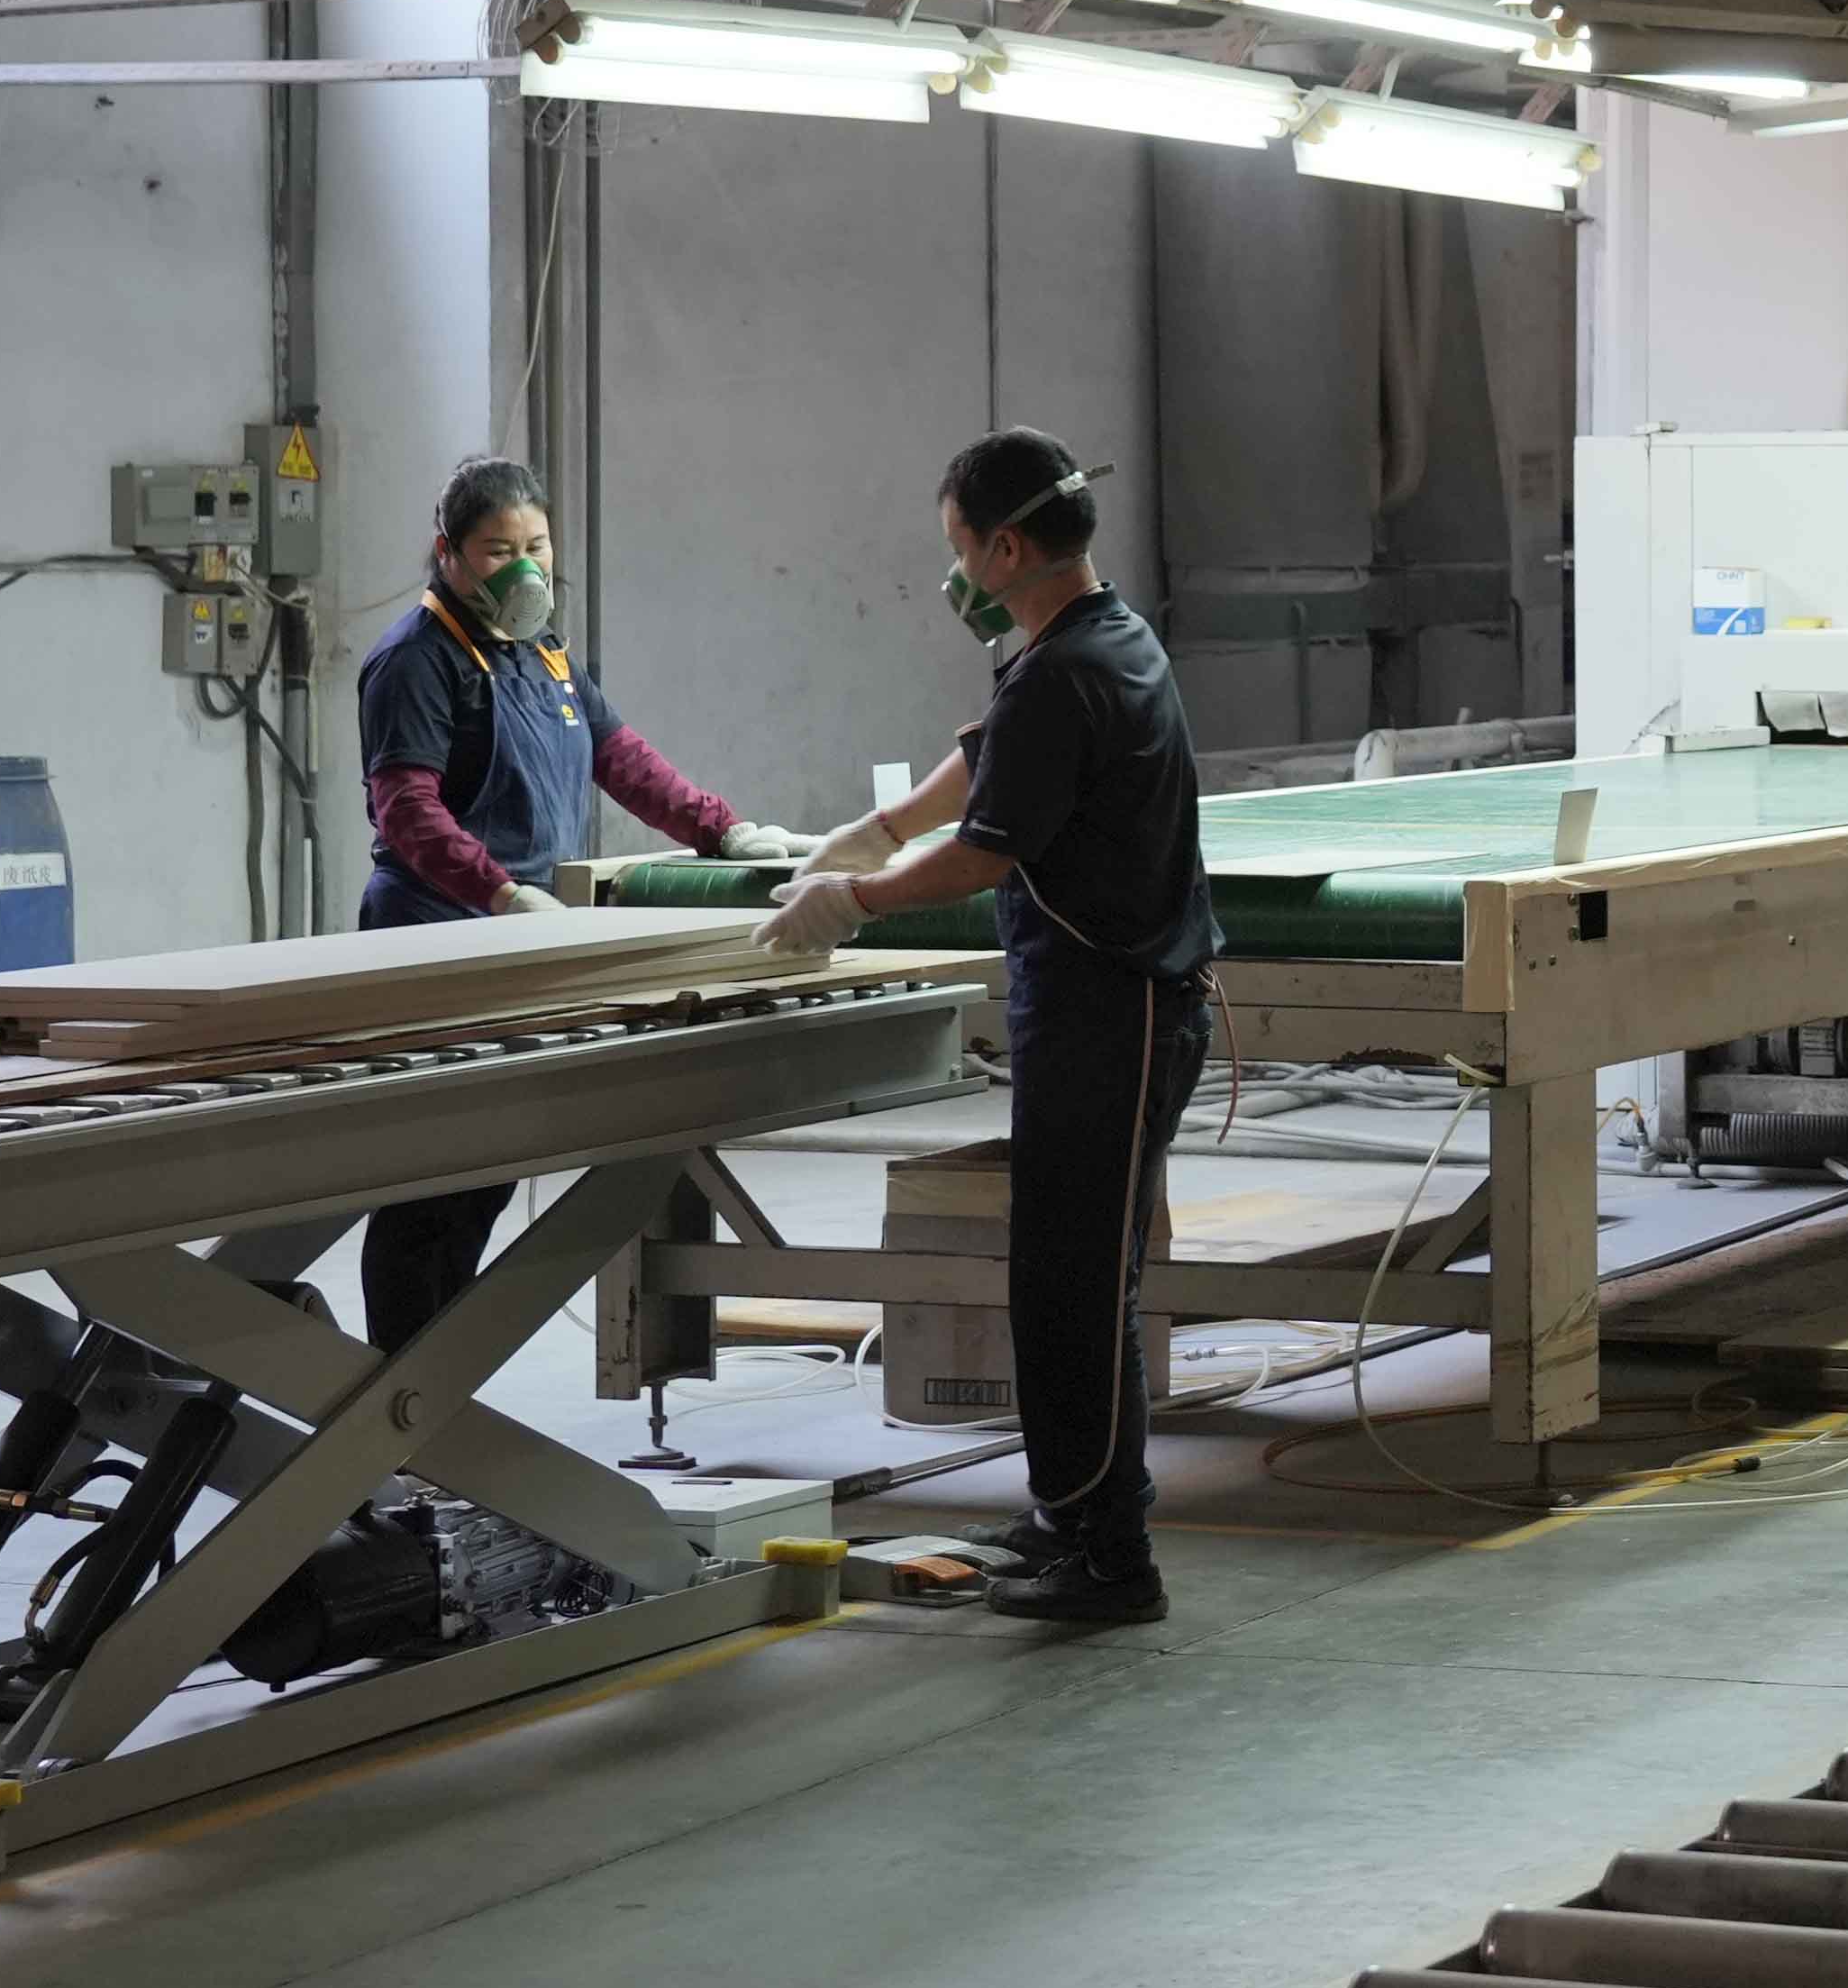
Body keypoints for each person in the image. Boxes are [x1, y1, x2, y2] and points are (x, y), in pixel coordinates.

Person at [760, 428, 1215, 1625]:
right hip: (1097, 1011)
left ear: (1006, 547)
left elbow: (981, 851)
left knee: (1076, 1288)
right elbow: (993, 760)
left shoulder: (1071, 669)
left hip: (1112, 1015)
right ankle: (1070, 1511)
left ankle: (1110, 1557)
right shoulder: (1094, 640)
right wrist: (876, 829)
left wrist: (856, 897)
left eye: (959, 548)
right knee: (1059, 1279)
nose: (955, 573)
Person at [351, 454, 807, 1352]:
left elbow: (619, 757)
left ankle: (432, 1382)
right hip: (438, 936)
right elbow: (405, 808)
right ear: (447, 553)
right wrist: (499, 891)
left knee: (486, 1174)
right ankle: (398, 1385)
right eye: (499, 551)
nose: (524, 569)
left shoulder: (543, 652)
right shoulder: (416, 660)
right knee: (430, 1183)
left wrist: (722, 831)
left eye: (538, 547)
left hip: (522, 937)